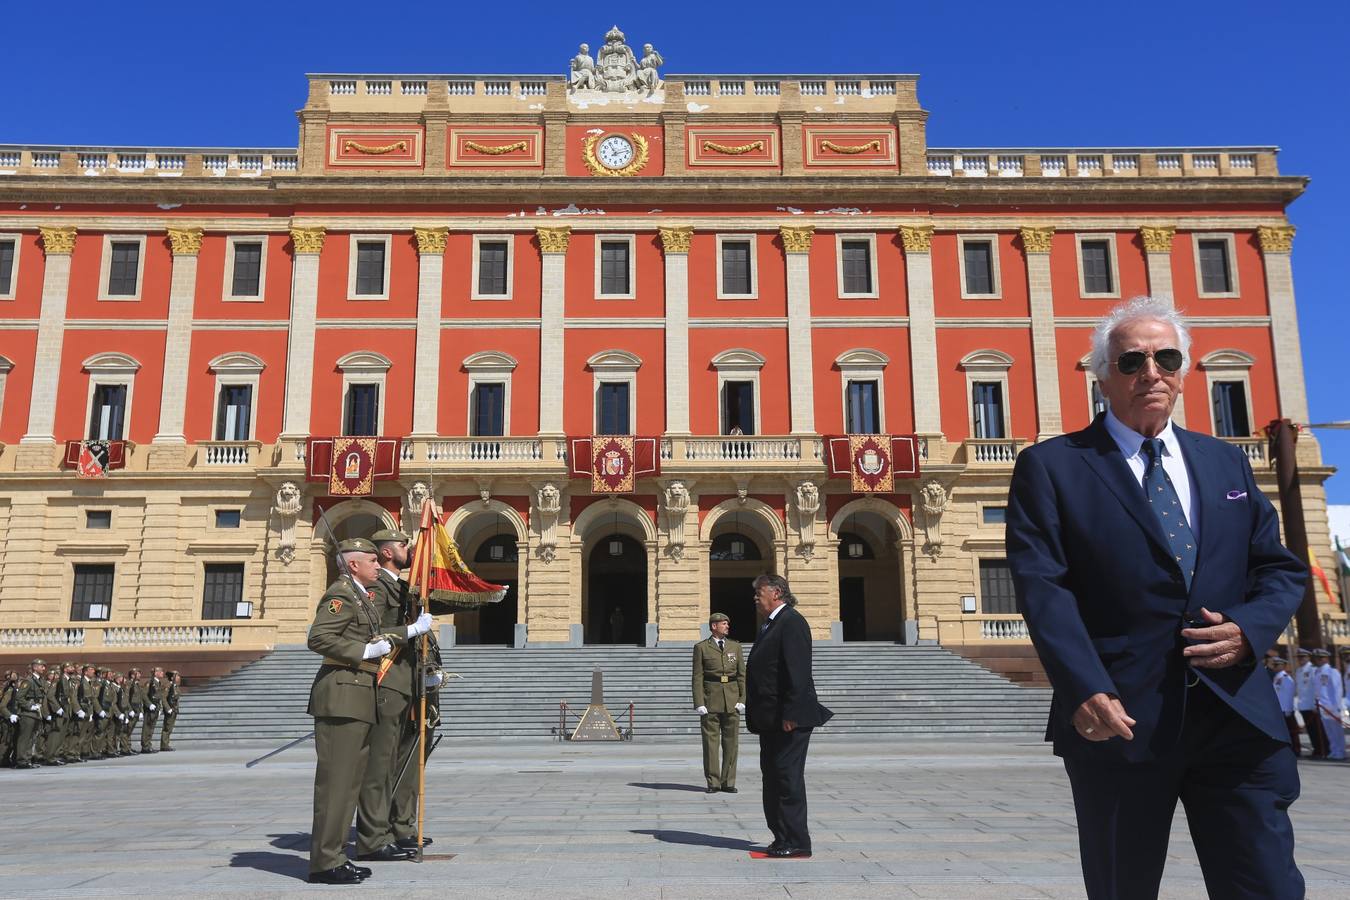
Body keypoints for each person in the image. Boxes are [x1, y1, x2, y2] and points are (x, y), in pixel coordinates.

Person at [1007, 296, 1307, 899]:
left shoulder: (1225, 462)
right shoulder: (1052, 467)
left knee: (1268, 884)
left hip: (1236, 714)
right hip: (1120, 719)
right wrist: (1083, 686)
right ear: (1102, 377)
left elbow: (1277, 568)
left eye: (1166, 358)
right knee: (1125, 886)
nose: (1151, 372)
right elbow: (1044, 588)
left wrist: (1249, 628)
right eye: (1131, 361)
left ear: (1183, 371)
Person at [306, 537, 388, 885]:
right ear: (353, 564)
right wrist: (364, 651)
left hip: (357, 696)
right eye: (372, 560)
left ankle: (335, 857)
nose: (378, 566)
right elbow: (318, 638)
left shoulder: (360, 596)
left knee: (349, 784)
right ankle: (325, 862)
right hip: (342, 696)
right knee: (336, 785)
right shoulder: (340, 595)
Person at [354, 529, 433, 863]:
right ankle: (374, 836)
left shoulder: (402, 587)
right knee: (381, 763)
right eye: (403, 545)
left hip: (409, 682)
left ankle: (400, 826)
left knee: (406, 759)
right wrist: (411, 630)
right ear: (387, 552)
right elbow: (371, 631)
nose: (409, 549)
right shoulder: (376, 587)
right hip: (388, 681)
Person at [744, 574, 833, 858]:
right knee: (773, 776)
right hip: (771, 719)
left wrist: (791, 714)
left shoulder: (792, 622)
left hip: (788, 719)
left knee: (786, 778)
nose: (755, 597)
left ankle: (797, 841)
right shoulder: (771, 624)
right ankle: (782, 837)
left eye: (759, 592)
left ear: (777, 592)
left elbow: (798, 672)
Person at [692, 612, 745, 793]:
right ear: (714, 626)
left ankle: (728, 782)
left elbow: (742, 675)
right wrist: (699, 702)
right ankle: (713, 782)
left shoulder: (735, 646)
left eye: (727, 624)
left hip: (732, 699)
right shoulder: (701, 648)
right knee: (710, 744)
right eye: (724, 624)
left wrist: (742, 699)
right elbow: (697, 677)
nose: (727, 626)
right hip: (710, 699)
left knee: (732, 743)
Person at [13, 659, 47, 769]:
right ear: (35, 667)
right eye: (41, 666)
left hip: (36, 713)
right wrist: (29, 706)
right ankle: (21, 761)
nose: (44, 668)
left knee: (32, 738)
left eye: (44, 666)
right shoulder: (28, 681)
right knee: (25, 738)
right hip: (27, 714)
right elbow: (19, 697)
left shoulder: (40, 680)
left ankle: (27, 759)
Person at [1314, 648, 1345, 760]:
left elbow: (1337, 690)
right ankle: (1334, 750)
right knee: (1329, 732)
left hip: (1332, 706)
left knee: (1337, 731)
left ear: (1326, 658)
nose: (1319, 660)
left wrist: (1337, 707)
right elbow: (1318, 690)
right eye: (1317, 658)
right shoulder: (1317, 672)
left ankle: (1340, 752)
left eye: (1321, 658)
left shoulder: (1332, 671)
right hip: (1322, 706)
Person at [1295, 647, 1326, 758]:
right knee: (1310, 730)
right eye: (1299, 657)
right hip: (1303, 705)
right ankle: (1316, 750)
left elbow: (1317, 688)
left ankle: (1322, 750)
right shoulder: (1298, 671)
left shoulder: (1313, 669)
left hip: (1312, 705)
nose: (1301, 659)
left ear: (1308, 657)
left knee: (1318, 730)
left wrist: (1316, 704)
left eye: (1303, 657)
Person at [1270, 657, 1300, 750]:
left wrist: (1288, 709)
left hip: (1286, 710)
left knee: (1292, 731)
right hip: (1280, 709)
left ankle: (1296, 750)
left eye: (1276, 665)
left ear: (1283, 666)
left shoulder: (1286, 678)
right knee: (1284, 731)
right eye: (1274, 665)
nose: (1274, 667)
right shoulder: (1277, 677)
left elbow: (1289, 695)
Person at [141, 666, 164, 753]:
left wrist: (160, 707)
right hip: (150, 708)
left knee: (151, 728)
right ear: (156, 673)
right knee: (147, 727)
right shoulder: (150, 682)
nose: (162, 673)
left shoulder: (158, 682)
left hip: (156, 707)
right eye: (161, 671)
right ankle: (145, 746)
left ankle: (148, 745)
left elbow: (159, 696)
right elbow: (144, 694)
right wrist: (149, 704)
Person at [159, 670, 181, 751]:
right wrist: (168, 708)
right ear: (172, 678)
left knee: (170, 728)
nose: (179, 677)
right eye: (177, 676)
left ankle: (166, 744)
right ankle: (164, 745)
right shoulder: (168, 686)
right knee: (167, 728)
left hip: (174, 709)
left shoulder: (175, 686)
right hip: (170, 709)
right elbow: (163, 698)